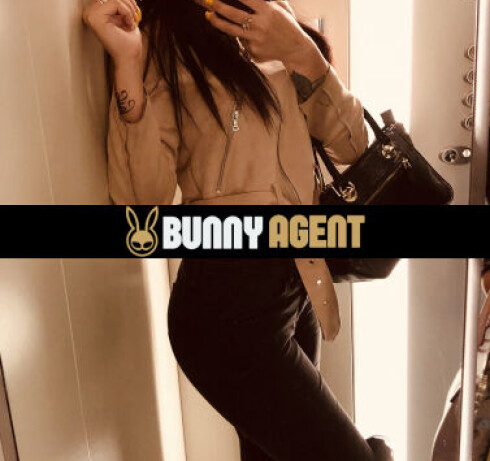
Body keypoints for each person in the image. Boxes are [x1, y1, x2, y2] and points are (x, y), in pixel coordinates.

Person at [83, 0, 392, 459]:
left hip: (298, 281)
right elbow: (142, 203)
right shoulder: (164, 38)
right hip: (226, 306)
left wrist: (301, 50)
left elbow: (353, 146)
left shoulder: (270, 10)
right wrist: (128, 62)